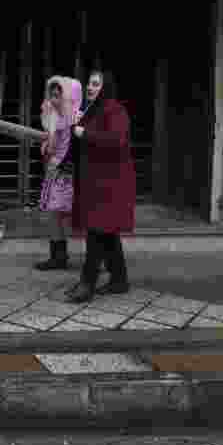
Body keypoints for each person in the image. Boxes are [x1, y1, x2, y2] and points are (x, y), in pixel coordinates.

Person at [65, 70, 136, 304]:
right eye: (89, 84)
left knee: (96, 232)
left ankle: (87, 284)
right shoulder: (92, 110)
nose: (90, 88)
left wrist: (84, 132)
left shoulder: (115, 110)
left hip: (110, 184)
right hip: (95, 182)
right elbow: (82, 142)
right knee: (107, 233)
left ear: (105, 87)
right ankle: (119, 280)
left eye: (95, 84)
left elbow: (116, 140)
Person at [34, 76, 82, 271]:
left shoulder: (76, 118)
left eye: (58, 96)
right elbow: (50, 148)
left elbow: (61, 147)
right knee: (55, 215)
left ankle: (101, 256)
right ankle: (58, 257)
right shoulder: (53, 116)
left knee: (76, 217)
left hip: (69, 173)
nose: (54, 100)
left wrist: (49, 141)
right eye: (52, 95)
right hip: (56, 172)